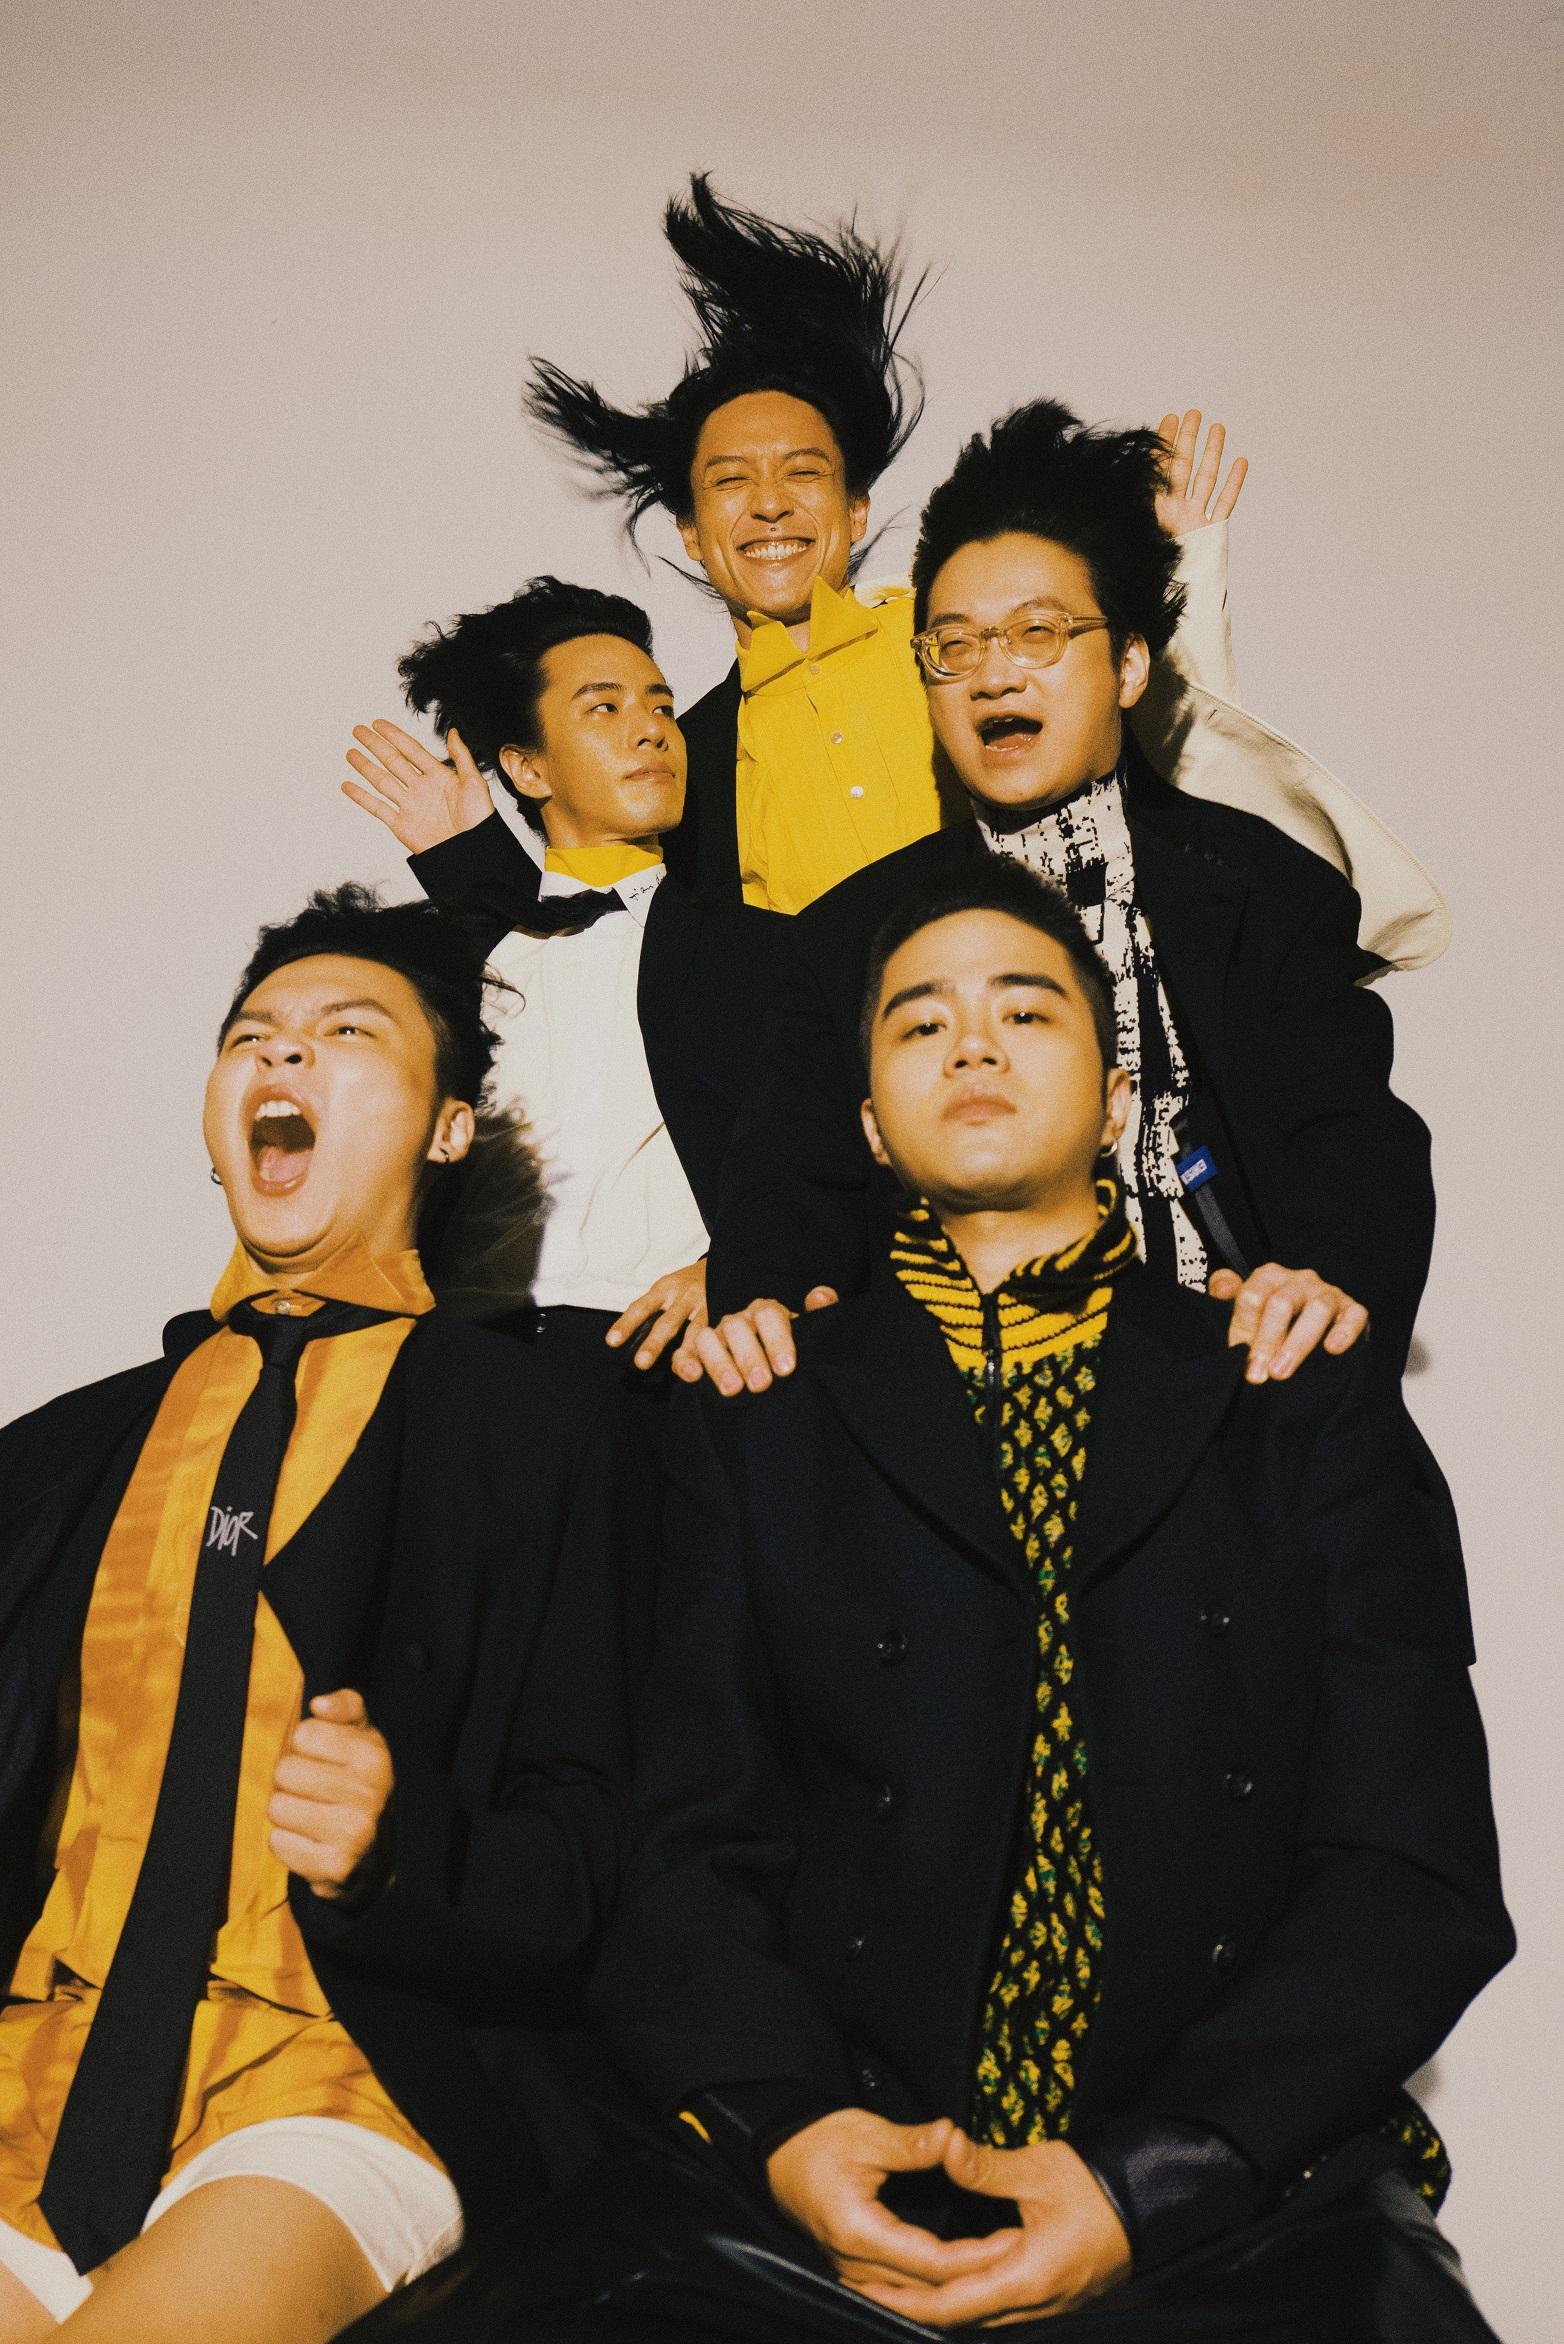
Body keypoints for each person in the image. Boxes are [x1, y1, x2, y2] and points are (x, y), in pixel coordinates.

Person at [350, 862, 1508, 2344]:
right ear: (867, 1126)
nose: (971, 1044)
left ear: (1115, 1103)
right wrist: (787, 2131)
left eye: (1026, 1012)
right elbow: (683, 1854)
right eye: (918, 1023)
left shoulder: (1287, 1389)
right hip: (830, 2169)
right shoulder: (755, 1412)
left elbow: (1410, 1872)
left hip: (1242, 2182)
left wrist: (1158, 2176)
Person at [0, 889, 640, 2342]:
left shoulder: (550, 1428)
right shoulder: (54, 1453)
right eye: (253, 1037)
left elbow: (600, 1843)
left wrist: (404, 1850)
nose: (284, 1055)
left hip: (344, 2073)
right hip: (38, 2056)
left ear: (448, 1129)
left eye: (349, 1034)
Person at [696, 399, 1437, 1396]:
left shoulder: (1262, 889)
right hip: (951, 1432)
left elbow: (1350, 1140)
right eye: (953, 646)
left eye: (1037, 634)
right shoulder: (845, 937)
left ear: (1128, 664)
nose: (993, 675)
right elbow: (785, 1188)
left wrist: (1322, 1285)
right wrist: (770, 1306)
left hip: (1229, 1403)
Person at [516, 174, 1446, 964]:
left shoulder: (962, 643)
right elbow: (605, 930)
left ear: (856, 510)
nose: (769, 506)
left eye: (803, 474)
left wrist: (1170, 570)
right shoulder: (688, 756)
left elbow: (1157, 754)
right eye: (731, 482)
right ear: (690, 530)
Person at [342, 578, 779, 1375]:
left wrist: (737, 1270)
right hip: (465, 1361)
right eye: (604, 708)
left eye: (661, 706)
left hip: (662, 1362)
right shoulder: (460, 968)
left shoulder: (760, 955)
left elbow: (817, 1162)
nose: (651, 730)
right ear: (528, 769)